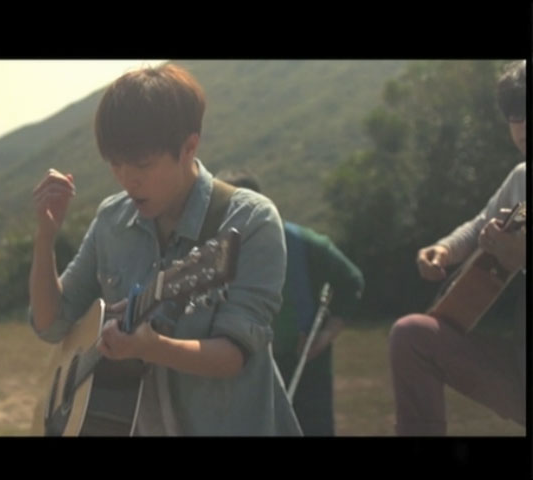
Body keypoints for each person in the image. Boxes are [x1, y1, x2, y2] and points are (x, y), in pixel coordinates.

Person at [28, 63, 301, 435]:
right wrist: (45, 237)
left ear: (189, 147)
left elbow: (233, 355)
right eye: (116, 165)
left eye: (143, 164)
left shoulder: (249, 220)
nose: (128, 180)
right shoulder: (111, 219)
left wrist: (151, 347)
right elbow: (50, 324)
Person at [388, 60, 526, 436]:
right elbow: (480, 226)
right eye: (516, 115)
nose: (524, 126)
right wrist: (444, 250)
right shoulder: (522, 179)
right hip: (520, 369)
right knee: (412, 337)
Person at [217, 168, 364, 436]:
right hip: (244, 369)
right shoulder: (216, 251)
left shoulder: (303, 243)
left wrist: (325, 336)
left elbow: (350, 282)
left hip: (304, 366)